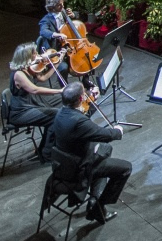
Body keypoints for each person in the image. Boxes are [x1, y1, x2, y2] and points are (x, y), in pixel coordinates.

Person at [48, 82, 132, 224]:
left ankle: (94, 198)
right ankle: (98, 207)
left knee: (105, 149)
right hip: (79, 169)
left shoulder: (61, 113)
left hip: (63, 163)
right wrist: (118, 131)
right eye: (84, 94)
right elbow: (104, 134)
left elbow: (83, 121)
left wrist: (92, 103)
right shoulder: (78, 122)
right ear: (81, 99)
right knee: (125, 168)